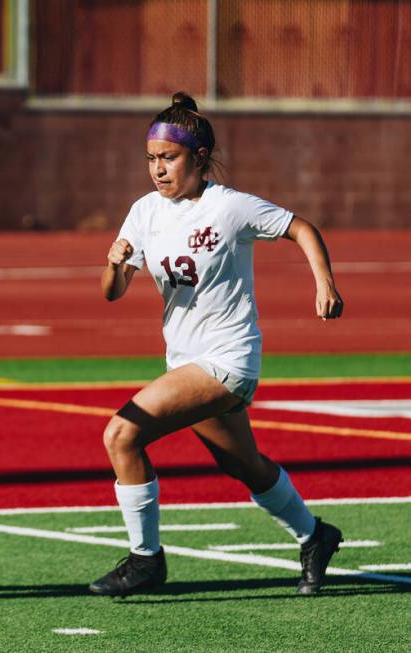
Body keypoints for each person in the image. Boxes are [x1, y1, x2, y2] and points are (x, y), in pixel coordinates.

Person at [90, 92, 344, 597]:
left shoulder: (228, 207)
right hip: (186, 362)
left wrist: (325, 284)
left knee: (122, 435)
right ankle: (316, 536)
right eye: (151, 159)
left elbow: (301, 228)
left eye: (168, 158)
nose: (157, 169)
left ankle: (146, 561)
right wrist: (115, 263)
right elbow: (112, 293)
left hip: (227, 359)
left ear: (198, 157)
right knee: (241, 464)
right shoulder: (144, 212)